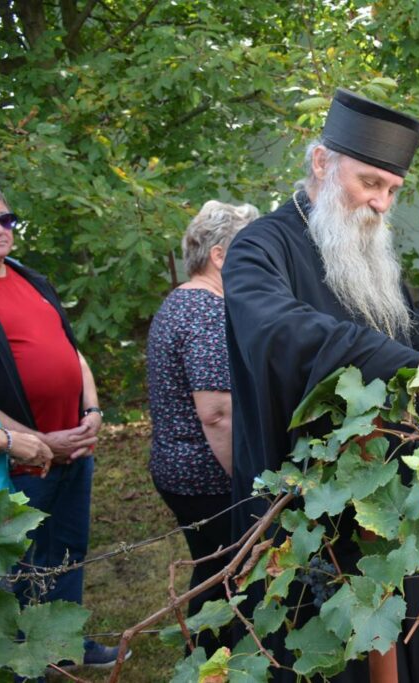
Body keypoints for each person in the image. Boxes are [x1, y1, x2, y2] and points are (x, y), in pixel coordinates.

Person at [223, 88, 419, 682]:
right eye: (370, 183)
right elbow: (285, 335)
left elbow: (413, 339)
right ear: (322, 163)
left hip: (390, 507)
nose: (381, 204)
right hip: (303, 516)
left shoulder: (366, 252)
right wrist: (416, 370)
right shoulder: (260, 249)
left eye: (391, 191)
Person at [0, 189, 127, 667]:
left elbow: (72, 353)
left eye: (7, 218)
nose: (1, 228)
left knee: (68, 552)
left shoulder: (32, 280)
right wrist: (32, 442)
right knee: (19, 566)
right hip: (22, 462)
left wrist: (91, 413)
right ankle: (22, 658)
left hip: (73, 449)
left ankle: (66, 647)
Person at [147, 200, 258, 653]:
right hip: (207, 477)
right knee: (223, 577)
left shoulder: (180, 301)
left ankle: (207, 659)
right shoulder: (204, 311)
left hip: (180, 469)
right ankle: (213, 661)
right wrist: (248, 485)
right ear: (218, 255)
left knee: (211, 570)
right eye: (247, 249)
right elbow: (217, 414)